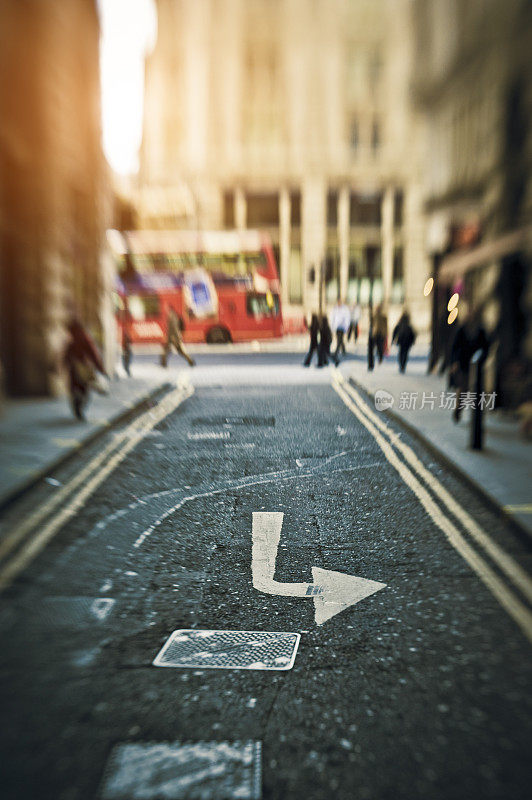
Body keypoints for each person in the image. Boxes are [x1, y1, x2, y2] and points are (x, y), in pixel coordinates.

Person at [63, 316, 106, 420]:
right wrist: (100, 368)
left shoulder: (71, 341)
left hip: (74, 370)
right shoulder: (85, 339)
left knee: (74, 389)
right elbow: (93, 355)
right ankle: (80, 409)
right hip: (84, 370)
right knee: (84, 390)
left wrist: (63, 365)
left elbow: (66, 356)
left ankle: (76, 407)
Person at [449, 311, 489, 422]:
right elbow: (455, 348)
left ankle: (476, 417)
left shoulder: (480, 331)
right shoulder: (461, 330)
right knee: (463, 389)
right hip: (463, 364)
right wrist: (454, 362)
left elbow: (485, 346)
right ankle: (458, 409)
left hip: (477, 367)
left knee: (476, 391)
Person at [330, 298, 351, 366]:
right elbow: (332, 317)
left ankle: (336, 352)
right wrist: (332, 326)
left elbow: (347, 318)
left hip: (342, 326)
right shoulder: (335, 309)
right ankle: (343, 350)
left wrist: (346, 327)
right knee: (340, 339)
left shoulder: (344, 309)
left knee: (339, 339)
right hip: (337, 326)